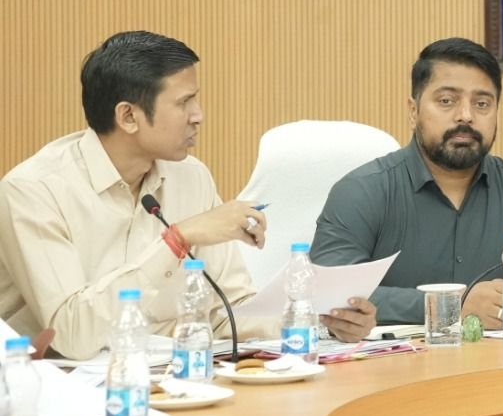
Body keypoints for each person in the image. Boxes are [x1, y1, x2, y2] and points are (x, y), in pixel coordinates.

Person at [0, 31, 375, 360]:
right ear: (128, 116)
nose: (198, 115)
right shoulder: (34, 191)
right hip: (63, 389)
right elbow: (72, 335)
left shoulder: (190, 177)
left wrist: (316, 319)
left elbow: (225, 313)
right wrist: (176, 240)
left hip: (171, 377)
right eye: (183, 102)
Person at [311, 38, 503, 327]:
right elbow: (324, 292)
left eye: (482, 104)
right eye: (447, 101)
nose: (466, 116)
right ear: (413, 111)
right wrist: (451, 306)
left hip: (502, 363)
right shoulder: (362, 191)